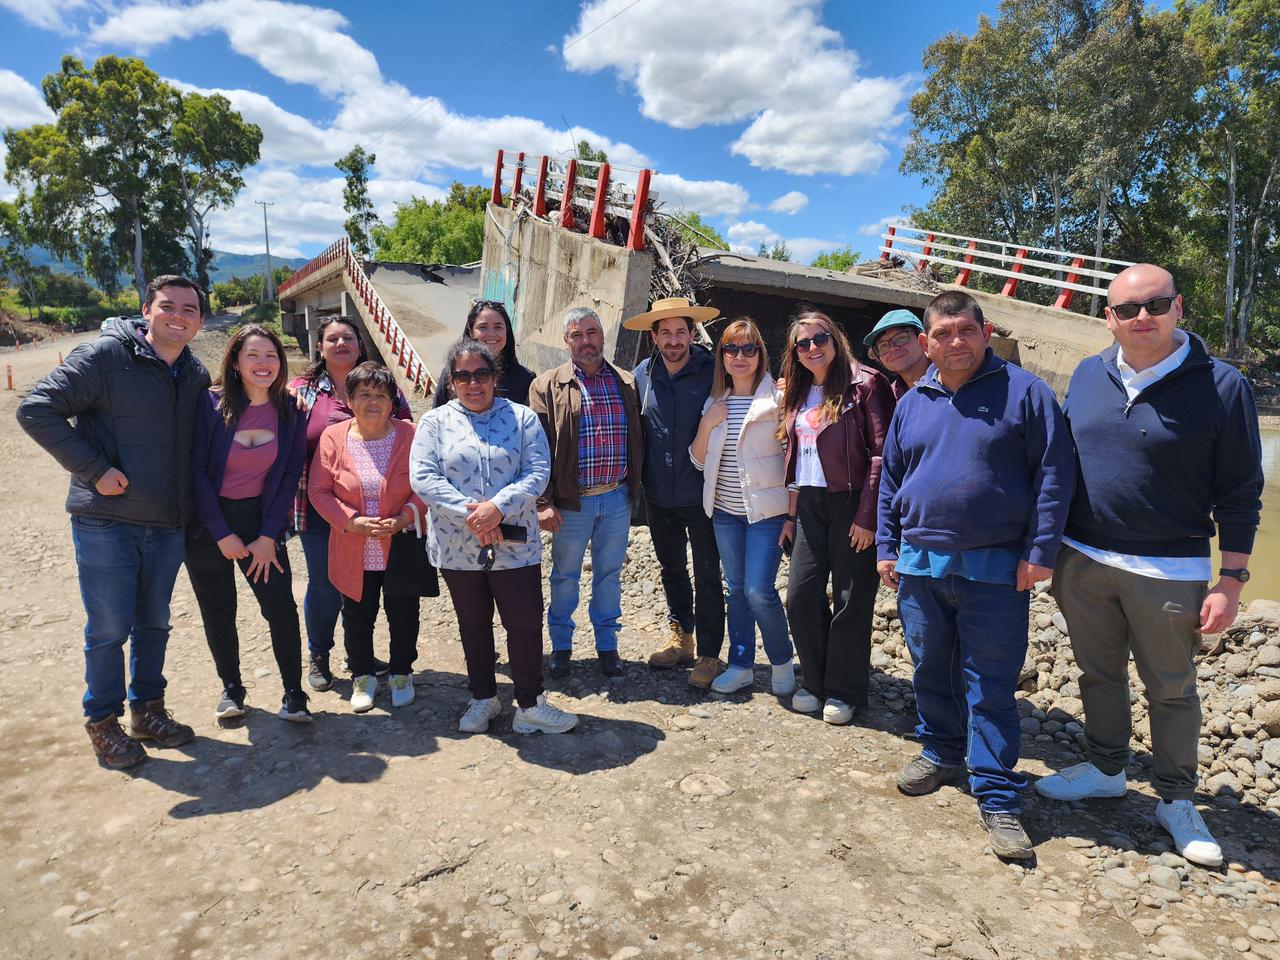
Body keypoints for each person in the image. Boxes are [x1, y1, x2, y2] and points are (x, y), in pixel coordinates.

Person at [1034, 264, 1264, 867]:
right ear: (1108, 317)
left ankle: (1176, 797)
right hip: (1081, 558)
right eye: (1127, 309)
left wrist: (1232, 579)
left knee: (1172, 688)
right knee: (1098, 673)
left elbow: (1241, 490)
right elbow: (1056, 467)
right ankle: (1107, 766)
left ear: (1178, 307)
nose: (1142, 318)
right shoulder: (1088, 374)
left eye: (1155, 305)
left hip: (1171, 567)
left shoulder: (1222, 385)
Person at [876, 290, 1074, 860]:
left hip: (995, 569)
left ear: (985, 331)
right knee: (929, 665)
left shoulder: (1026, 391)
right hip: (919, 565)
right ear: (927, 342)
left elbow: (1054, 476)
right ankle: (939, 750)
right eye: (942, 334)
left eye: (965, 330)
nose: (954, 342)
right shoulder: (916, 399)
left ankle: (996, 793)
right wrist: (887, 545)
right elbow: (892, 479)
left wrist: (1041, 550)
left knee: (990, 682)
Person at [17, 275, 210, 768]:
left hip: (167, 522)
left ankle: (147, 712)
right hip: (107, 521)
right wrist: (96, 470)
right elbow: (36, 409)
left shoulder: (194, 374)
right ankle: (103, 724)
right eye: (168, 306)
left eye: (190, 309)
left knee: (154, 624)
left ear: (200, 320)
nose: (179, 316)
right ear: (146, 309)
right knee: (107, 628)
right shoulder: (103, 357)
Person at [412, 339, 577, 734]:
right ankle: (483, 698)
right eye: (463, 375)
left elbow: (538, 471)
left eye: (481, 374)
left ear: (494, 377)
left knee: (523, 622)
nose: (473, 383)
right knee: (473, 622)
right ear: (451, 382)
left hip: (515, 543)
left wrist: (497, 508)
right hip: (457, 545)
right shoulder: (434, 423)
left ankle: (530, 703)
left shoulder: (522, 419)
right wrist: (474, 516)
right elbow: (423, 476)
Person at [187, 324, 311, 723]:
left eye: (271, 356)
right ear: (236, 362)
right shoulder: (209, 405)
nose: (264, 364)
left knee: (280, 608)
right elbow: (195, 472)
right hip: (209, 523)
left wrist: (267, 536)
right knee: (218, 608)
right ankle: (232, 689)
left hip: (262, 519)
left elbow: (291, 473)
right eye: (253, 356)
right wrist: (221, 532)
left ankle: (294, 694)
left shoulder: (291, 411)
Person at [779, 308, 894, 725]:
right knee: (801, 595)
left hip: (851, 501)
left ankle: (844, 691)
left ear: (835, 338)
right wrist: (791, 515)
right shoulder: (799, 388)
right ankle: (814, 679)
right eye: (803, 343)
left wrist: (868, 516)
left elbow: (882, 455)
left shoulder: (866, 382)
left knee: (850, 599)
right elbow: (798, 459)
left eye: (820, 338)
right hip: (810, 503)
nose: (812, 348)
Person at [289, 316, 412, 692]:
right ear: (320, 346)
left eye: (348, 337)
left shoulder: (385, 390)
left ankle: (368, 660)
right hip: (322, 506)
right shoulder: (300, 391)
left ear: (360, 344)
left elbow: (412, 454)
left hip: (388, 516)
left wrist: (404, 511)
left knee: (388, 597)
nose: (341, 343)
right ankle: (321, 655)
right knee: (329, 587)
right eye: (332, 338)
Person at [308, 362, 434, 713]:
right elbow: (319, 491)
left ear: (392, 400)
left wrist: (406, 515)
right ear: (349, 399)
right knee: (358, 616)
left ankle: (401, 672)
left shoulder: (411, 434)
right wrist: (351, 522)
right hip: (353, 544)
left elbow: (428, 483)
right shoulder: (332, 438)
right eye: (364, 394)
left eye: (381, 394)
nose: (373, 401)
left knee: (404, 613)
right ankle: (363, 675)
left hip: (402, 542)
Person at [529, 306, 644, 679]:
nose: (586, 341)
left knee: (609, 575)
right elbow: (538, 448)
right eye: (577, 335)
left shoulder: (626, 381)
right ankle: (561, 646)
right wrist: (543, 502)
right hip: (571, 502)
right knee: (565, 574)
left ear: (603, 336)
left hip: (615, 497)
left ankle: (607, 646)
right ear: (566, 341)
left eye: (592, 333)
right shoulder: (546, 385)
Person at [688, 317, 795, 696]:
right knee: (735, 589)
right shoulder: (715, 402)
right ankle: (741, 664)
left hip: (766, 514)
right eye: (731, 349)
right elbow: (699, 461)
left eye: (748, 348)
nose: (739, 356)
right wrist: (706, 424)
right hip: (725, 513)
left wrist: (793, 516)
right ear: (721, 357)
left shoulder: (780, 399)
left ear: (760, 354)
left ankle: (782, 661)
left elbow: (793, 460)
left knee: (757, 590)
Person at [627, 296, 726, 689]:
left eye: (680, 331)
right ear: (654, 336)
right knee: (671, 569)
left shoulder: (712, 372)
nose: (673, 340)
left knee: (707, 575)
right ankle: (681, 637)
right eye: (665, 332)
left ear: (690, 333)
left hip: (702, 494)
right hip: (658, 495)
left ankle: (709, 653)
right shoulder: (641, 376)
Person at [431, 300, 536, 408]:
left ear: (507, 331)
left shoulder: (526, 379)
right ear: (471, 332)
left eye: (498, 327)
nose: (491, 334)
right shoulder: (453, 373)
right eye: (483, 327)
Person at [863, 308, 929, 398]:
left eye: (901, 338)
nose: (892, 348)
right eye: (883, 346)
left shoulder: (949, 379)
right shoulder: (891, 399)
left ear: (923, 341)